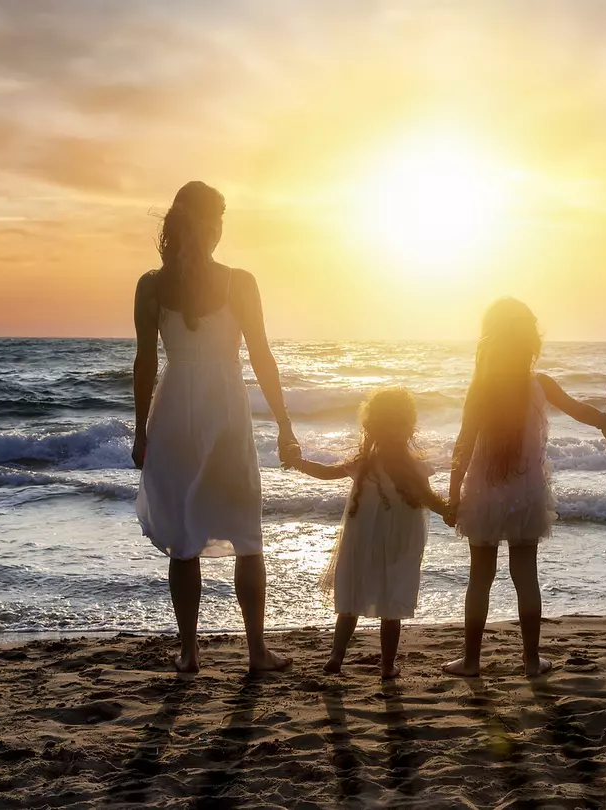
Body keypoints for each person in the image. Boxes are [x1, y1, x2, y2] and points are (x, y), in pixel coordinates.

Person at [132, 181, 301, 674]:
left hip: (174, 411)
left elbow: (145, 363)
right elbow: (263, 357)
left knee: (183, 539)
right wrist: (285, 423)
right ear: (212, 226)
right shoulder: (239, 281)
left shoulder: (151, 284)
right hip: (226, 409)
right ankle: (255, 652)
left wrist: (142, 431)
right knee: (247, 535)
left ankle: (189, 651)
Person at [444, 298, 606, 678]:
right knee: (526, 577)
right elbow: (578, 409)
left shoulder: (481, 388)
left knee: (480, 578)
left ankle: (472, 661)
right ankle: (531, 660)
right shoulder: (540, 385)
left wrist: (453, 494)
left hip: (484, 494)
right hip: (527, 494)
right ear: (529, 342)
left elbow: (463, 444)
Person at [293, 387, 447, 679]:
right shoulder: (413, 466)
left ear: (370, 425)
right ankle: (387, 666)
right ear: (409, 426)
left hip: (362, 542)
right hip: (399, 543)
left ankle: (336, 657)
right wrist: (452, 512)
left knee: (350, 601)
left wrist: (297, 462)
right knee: (392, 604)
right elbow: (430, 499)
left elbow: (325, 472)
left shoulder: (364, 464)